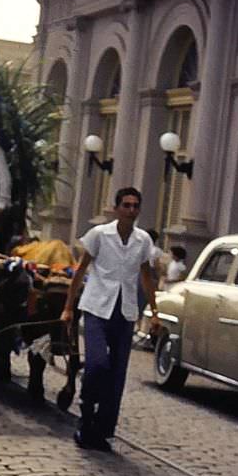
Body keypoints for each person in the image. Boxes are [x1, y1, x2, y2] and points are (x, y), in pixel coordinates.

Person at [60, 187, 161, 452]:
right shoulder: (99, 235)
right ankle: (85, 418)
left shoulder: (143, 241)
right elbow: (80, 271)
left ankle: (103, 431)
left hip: (125, 311)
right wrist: (68, 308)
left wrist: (155, 314)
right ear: (116, 208)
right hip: (96, 307)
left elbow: (146, 278)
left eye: (135, 206)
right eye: (126, 205)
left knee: (117, 374)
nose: (130, 210)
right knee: (97, 364)